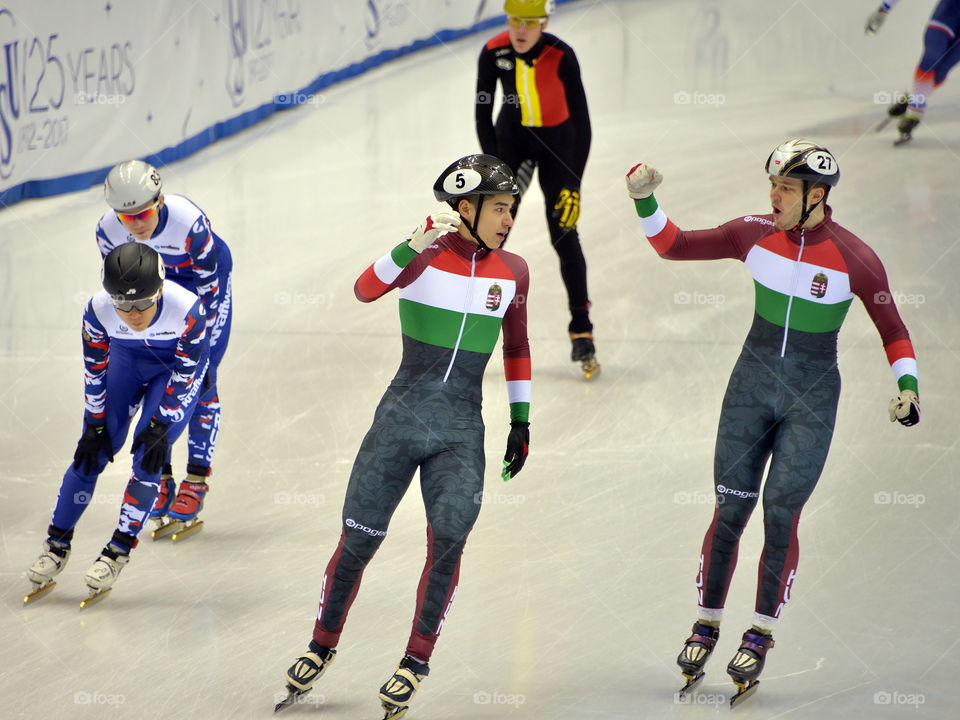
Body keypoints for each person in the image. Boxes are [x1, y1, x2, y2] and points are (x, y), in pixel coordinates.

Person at [625, 139, 920, 706]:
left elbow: (892, 327)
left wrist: (907, 387)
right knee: (730, 508)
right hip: (749, 388)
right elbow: (675, 246)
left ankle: (759, 633)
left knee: (781, 514)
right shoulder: (752, 231)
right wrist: (645, 201)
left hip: (812, 396)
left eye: (785, 188)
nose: (773, 196)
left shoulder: (856, 257)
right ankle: (706, 623)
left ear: (818, 195)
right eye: (773, 186)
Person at [275, 154, 532, 718]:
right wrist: (409, 244)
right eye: (500, 208)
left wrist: (521, 419)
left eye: (512, 208)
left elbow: (516, 347)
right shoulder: (426, 257)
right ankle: (322, 644)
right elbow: (365, 289)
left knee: (449, 541)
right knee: (359, 540)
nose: (509, 219)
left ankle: (416, 658)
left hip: (461, 430)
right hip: (399, 420)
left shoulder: (514, 270)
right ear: (465, 209)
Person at [24, 244, 209, 607]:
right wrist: (93, 424)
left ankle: (117, 551)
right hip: (126, 362)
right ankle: (56, 544)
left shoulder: (188, 311)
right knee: (90, 452)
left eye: (141, 303)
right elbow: (94, 371)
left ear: (159, 290)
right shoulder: (97, 310)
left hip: (171, 373)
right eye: (122, 305)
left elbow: (186, 375)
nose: (132, 313)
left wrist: (161, 424)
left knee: (148, 453)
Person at [97, 160, 233, 539]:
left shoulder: (189, 223)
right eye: (125, 218)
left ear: (159, 200)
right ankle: (163, 474)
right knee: (159, 380)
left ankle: (196, 479)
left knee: (200, 381)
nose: (135, 224)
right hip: (152, 298)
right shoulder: (107, 232)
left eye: (142, 213)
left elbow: (212, 294)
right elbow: (119, 293)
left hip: (199, 294)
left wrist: (205, 349)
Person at [475, 0, 598, 377]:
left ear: (543, 22)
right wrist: (493, 168)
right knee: (490, 234)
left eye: (530, 22)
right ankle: (474, 322)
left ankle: (581, 329)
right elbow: (482, 111)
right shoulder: (494, 51)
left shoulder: (562, 55)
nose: (521, 30)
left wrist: (573, 184)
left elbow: (583, 122)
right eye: (515, 21)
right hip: (511, 146)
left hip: (558, 148)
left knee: (563, 232)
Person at [866, 0, 960, 143]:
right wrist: (883, 9)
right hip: (950, 9)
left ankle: (913, 96)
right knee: (933, 52)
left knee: (941, 71)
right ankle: (916, 109)